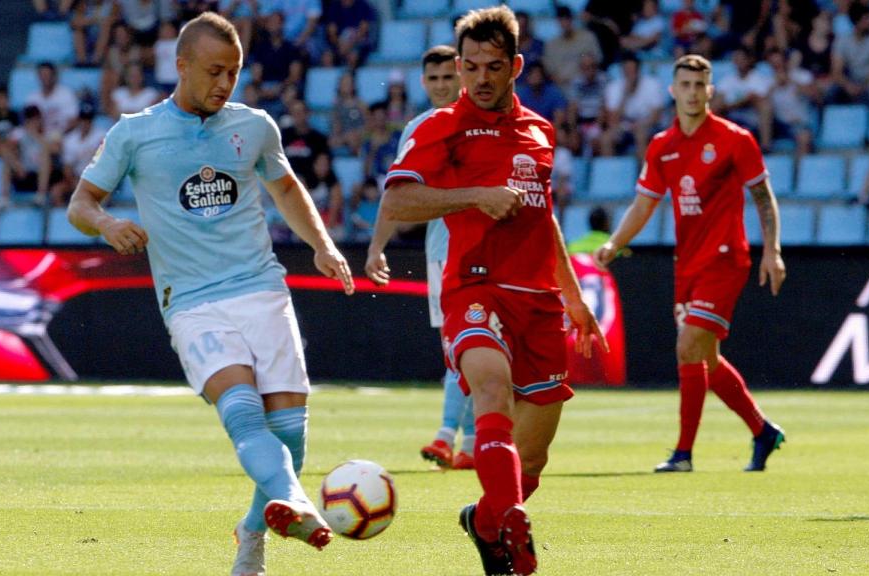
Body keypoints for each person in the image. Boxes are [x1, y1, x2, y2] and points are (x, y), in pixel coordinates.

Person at [66, 13, 354, 576]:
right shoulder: (135, 132)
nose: (225, 84)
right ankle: (296, 503)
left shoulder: (256, 127)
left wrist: (322, 245)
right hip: (192, 301)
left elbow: (287, 188)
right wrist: (107, 224)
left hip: (262, 289)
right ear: (182, 65)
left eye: (235, 73)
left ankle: (252, 531)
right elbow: (81, 203)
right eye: (215, 71)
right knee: (242, 412)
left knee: (290, 437)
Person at [381, 8, 607, 575]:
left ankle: (484, 520)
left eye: (494, 67)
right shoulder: (440, 128)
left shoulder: (541, 131)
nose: (480, 78)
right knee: (489, 387)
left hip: (538, 301)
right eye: (471, 66)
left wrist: (574, 297)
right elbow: (397, 203)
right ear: (458, 66)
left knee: (534, 455)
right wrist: (475, 194)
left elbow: (542, 215)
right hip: (472, 287)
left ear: (516, 67)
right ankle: (512, 527)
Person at [594, 54, 787, 475]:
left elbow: (762, 197)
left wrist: (771, 250)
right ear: (673, 90)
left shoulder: (736, 139)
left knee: (687, 347)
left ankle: (683, 454)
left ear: (710, 91)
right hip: (687, 265)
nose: (694, 92)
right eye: (686, 85)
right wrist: (614, 243)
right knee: (707, 360)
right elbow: (644, 205)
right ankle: (762, 430)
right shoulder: (663, 146)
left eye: (701, 85)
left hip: (725, 259)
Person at [364, 44, 476, 471]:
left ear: (463, 76)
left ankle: (450, 436)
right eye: (434, 79)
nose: (443, 85)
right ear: (424, 83)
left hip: (482, 251)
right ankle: (470, 445)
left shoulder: (482, 123)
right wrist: (377, 246)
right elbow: (398, 191)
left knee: (468, 348)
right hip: (441, 251)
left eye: (449, 77)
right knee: (457, 349)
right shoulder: (418, 127)